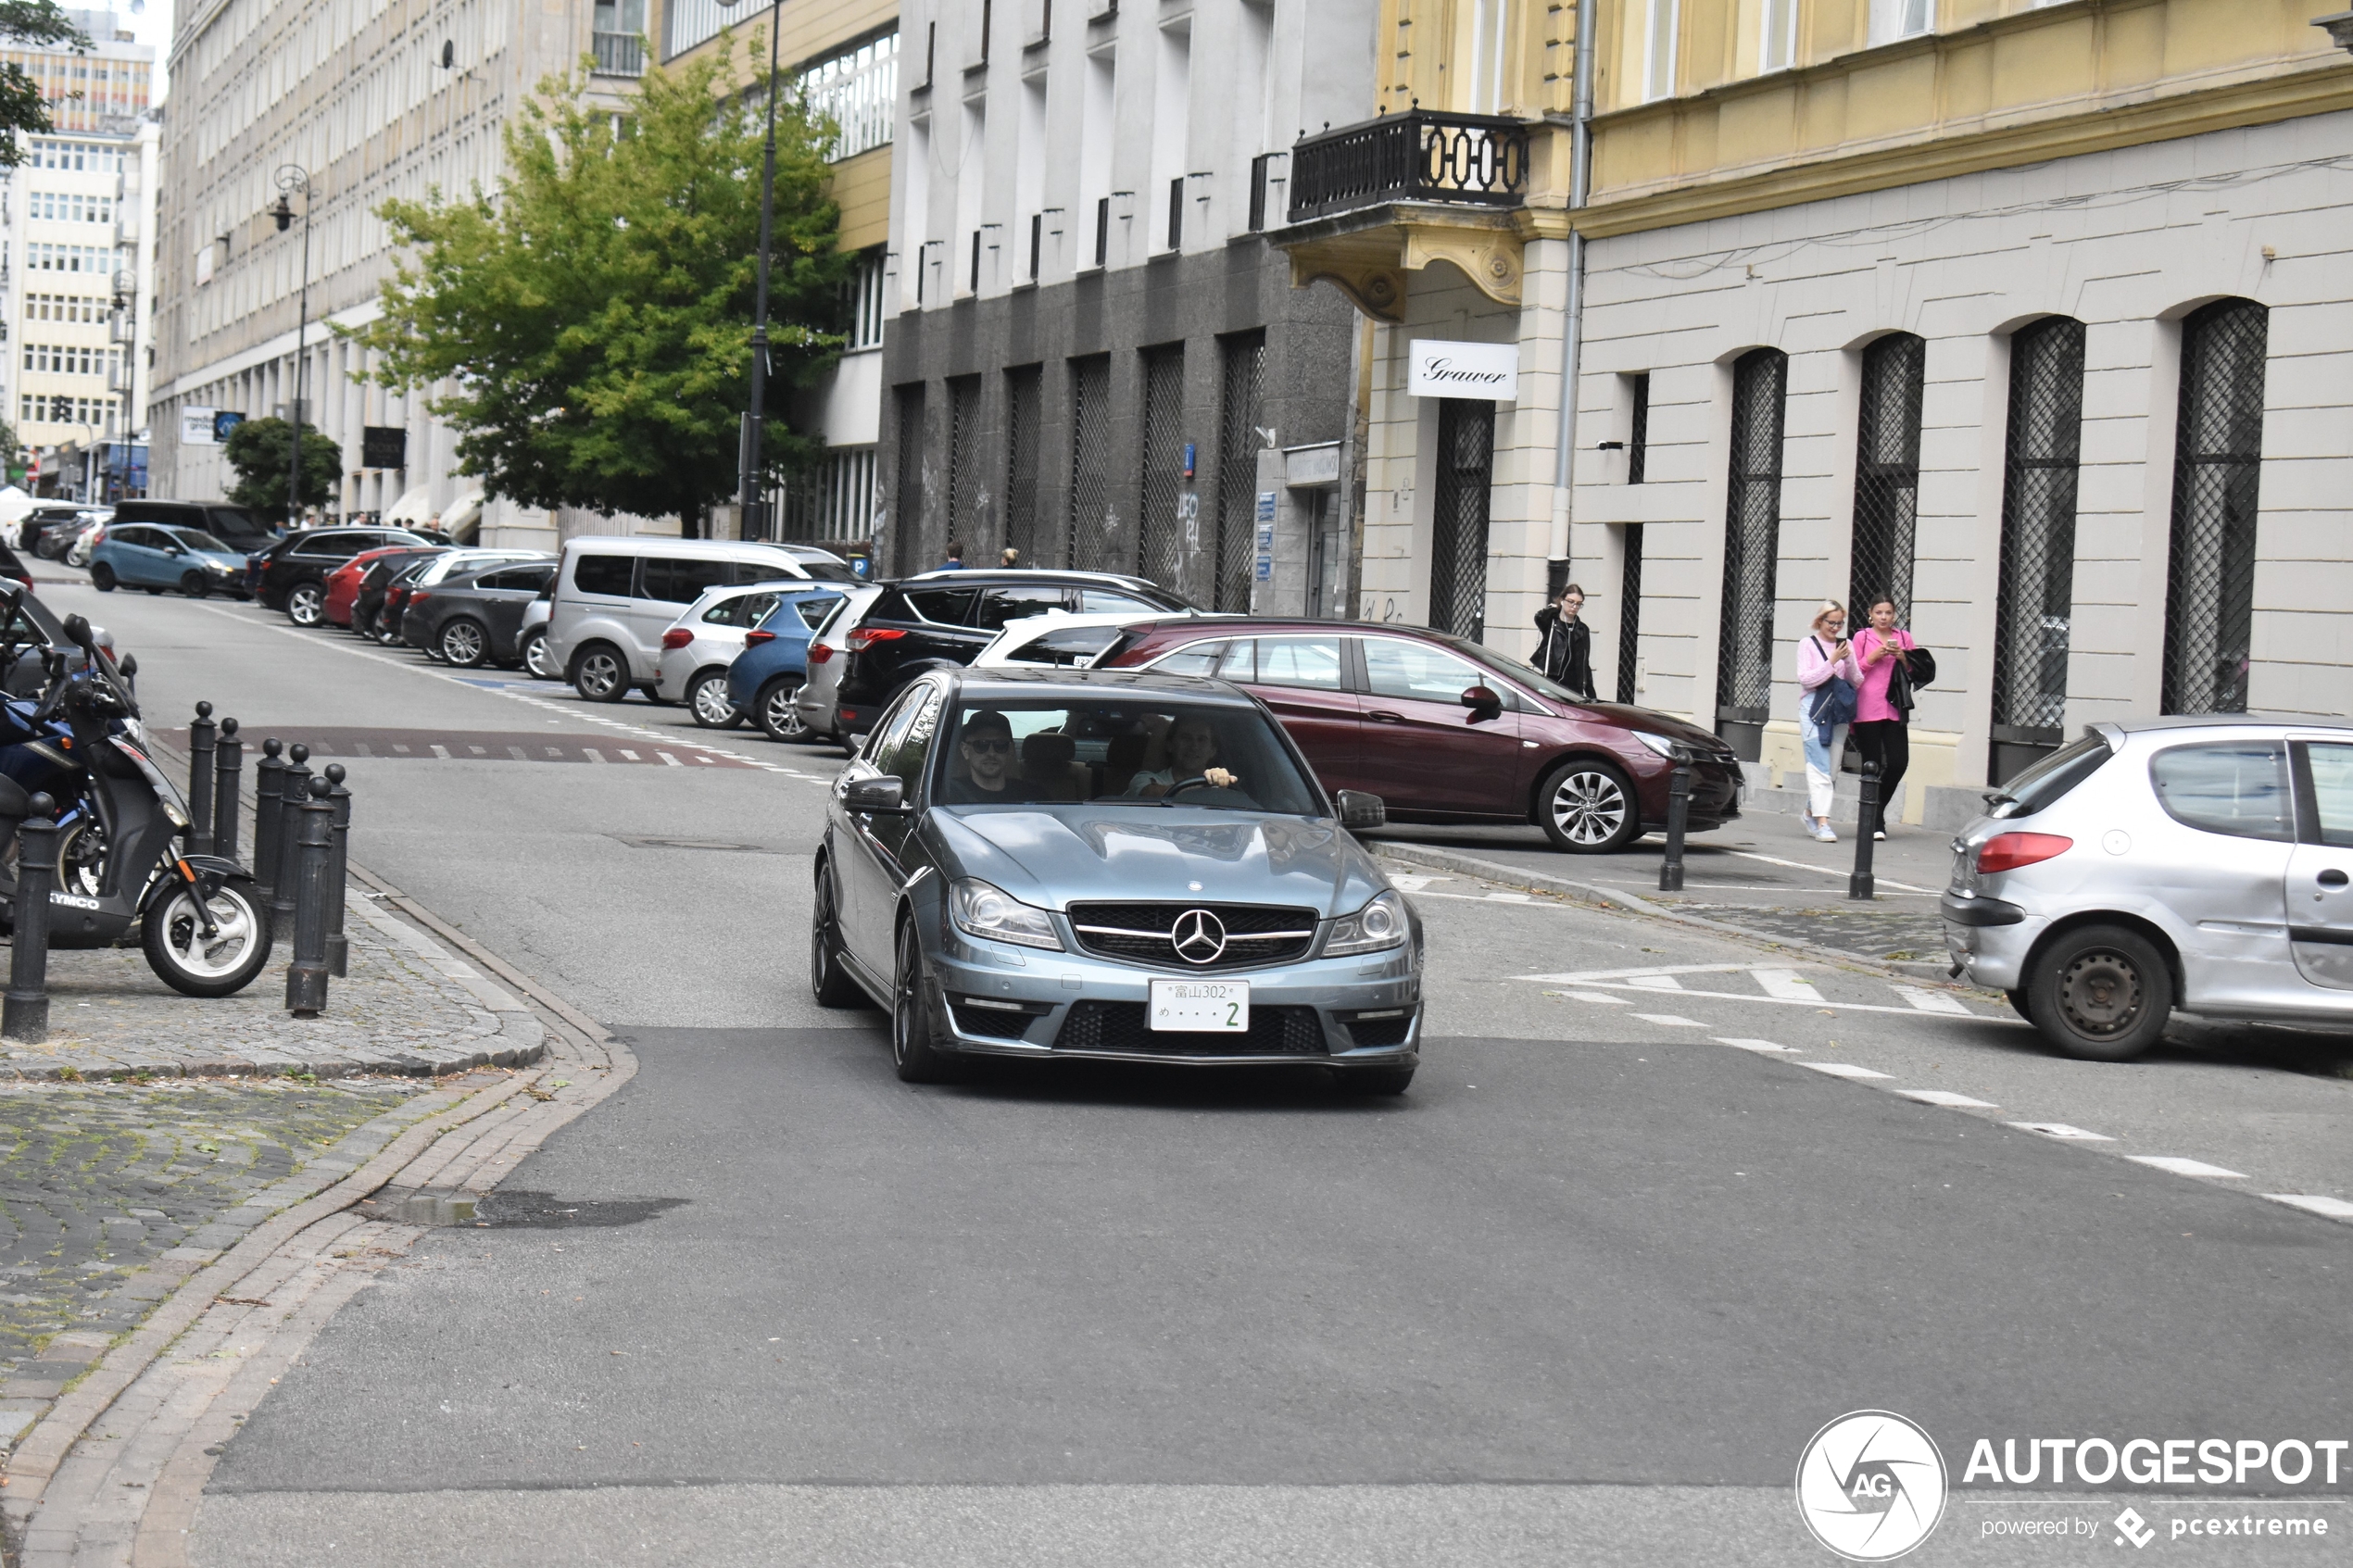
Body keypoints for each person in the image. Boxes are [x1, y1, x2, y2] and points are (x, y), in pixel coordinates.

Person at [1851, 597, 1918, 842]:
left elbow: (1915, 669)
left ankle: (1876, 809)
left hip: (1894, 708)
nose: (1883, 617)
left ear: (1894, 615)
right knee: (1872, 764)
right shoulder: (1862, 638)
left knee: (1899, 762)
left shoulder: (1904, 637)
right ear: (1870, 614)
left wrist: (1902, 656)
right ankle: (1875, 821)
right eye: (1878, 612)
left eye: (1888, 612)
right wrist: (1873, 657)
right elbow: (1852, 671)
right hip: (1867, 708)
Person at [1796, 601, 1859, 843]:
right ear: (1819, 621)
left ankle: (1810, 812)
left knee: (1832, 768)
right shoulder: (1807, 644)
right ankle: (1823, 823)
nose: (1835, 627)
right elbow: (1806, 679)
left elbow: (1857, 679)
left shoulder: (1846, 645)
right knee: (1819, 765)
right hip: (1813, 709)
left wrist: (1850, 660)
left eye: (1839, 623)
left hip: (1838, 711)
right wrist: (1832, 661)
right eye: (1830, 622)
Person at [941, 710, 1044, 804]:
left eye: (1000, 744)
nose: (991, 752)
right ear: (965, 750)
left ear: (1011, 750)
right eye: (981, 744)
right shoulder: (946, 796)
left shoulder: (1034, 796)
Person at [1126, 714, 1239, 797]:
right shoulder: (1145, 779)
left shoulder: (1222, 784)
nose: (1194, 746)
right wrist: (1208, 788)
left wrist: (1221, 780)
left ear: (1212, 751)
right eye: (1186, 738)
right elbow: (1151, 793)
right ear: (1170, 746)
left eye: (1201, 740)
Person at [1531, 583, 1597, 701]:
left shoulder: (1582, 629)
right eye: (1570, 601)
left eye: (1578, 604)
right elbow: (1539, 617)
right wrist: (1553, 609)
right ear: (1562, 600)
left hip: (1574, 687)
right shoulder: (1552, 624)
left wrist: (1591, 694)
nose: (1574, 606)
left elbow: (1584, 662)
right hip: (1552, 683)